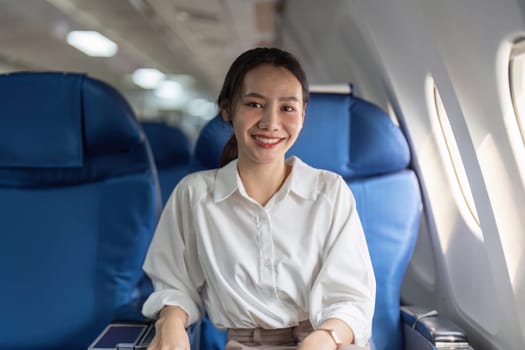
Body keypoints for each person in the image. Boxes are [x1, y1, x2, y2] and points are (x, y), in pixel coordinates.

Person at [142, 47, 376, 350]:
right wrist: (170, 321)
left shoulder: (329, 192)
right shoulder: (195, 195)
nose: (271, 122)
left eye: (287, 108)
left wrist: (326, 337)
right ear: (227, 109)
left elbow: (353, 297)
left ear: (303, 115)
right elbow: (173, 281)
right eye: (255, 104)